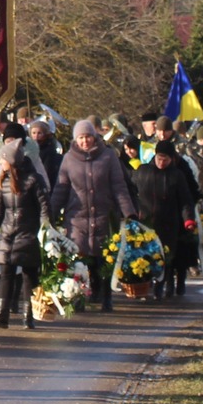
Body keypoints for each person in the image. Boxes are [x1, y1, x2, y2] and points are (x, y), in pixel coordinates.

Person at [51, 118, 138, 312]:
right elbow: (61, 189)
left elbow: (119, 186)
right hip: (77, 218)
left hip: (103, 215)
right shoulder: (68, 159)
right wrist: (51, 213)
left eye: (88, 136)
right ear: (76, 139)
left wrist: (128, 212)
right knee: (79, 261)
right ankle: (79, 296)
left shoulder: (108, 157)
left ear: (94, 136)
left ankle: (106, 297)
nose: (85, 141)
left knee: (104, 259)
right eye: (81, 137)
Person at [0, 139, 49, 329]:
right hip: (7, 235)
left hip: (28, 234)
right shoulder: (2, 182)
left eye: (2, 159)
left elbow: (44, 207)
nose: (0, 162)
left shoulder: (33, 180)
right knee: (6, 274)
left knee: (30, 275)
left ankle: (29, 315)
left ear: (11, 161)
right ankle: (2, 314)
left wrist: (46, 231)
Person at [130, 139, 200, 300]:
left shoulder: (177, 175)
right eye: (159, 158)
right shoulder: (142, 171)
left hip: (170, 222)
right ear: (155, 156)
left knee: (167, 256)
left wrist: (188, 219)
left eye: (166, 159)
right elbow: (131, 191)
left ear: (172, 159)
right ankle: (151, 284)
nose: (162, 162)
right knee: (148, 255)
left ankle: (162, 286)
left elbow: (186, 200)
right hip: (147, 223)